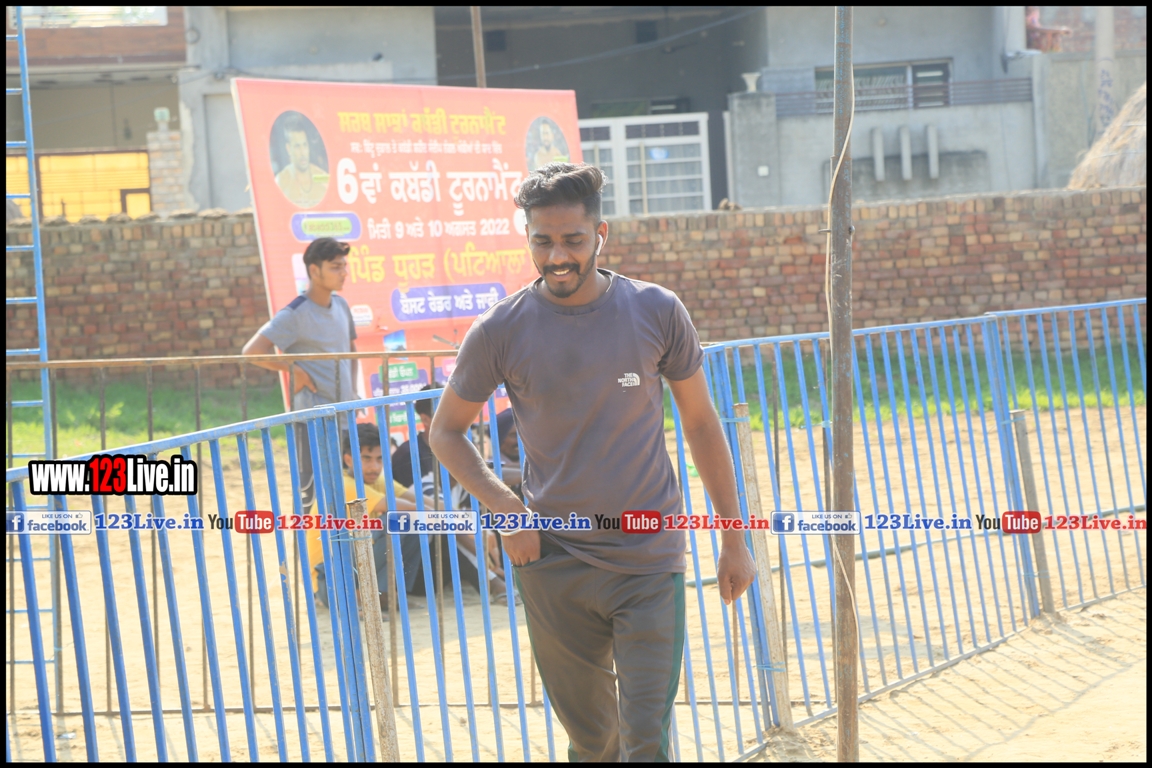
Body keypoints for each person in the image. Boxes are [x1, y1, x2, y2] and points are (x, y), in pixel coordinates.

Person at [429, 162, 756, 761]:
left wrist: (734, 537)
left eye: (573, 240)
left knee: (645, 737)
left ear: (601, 234)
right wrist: (505, 508)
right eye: (542, 241)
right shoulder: (500, 329)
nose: (557, 256)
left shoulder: (656, 310)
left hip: (649, 555)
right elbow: (446, 431)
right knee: (593, 741)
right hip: (553, 560)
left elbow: (701, 423)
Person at [241, 237, 359, 510]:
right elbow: (251, 352)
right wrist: (296, 371)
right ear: (314, 271)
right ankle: (307, 541)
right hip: (312, 419)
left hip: (345, 416)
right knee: (311, 496)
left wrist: (352, 391)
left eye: (344, 266)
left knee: (348, 493)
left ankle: (345, 540)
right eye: (335, 267)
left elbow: (351, 349)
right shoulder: (295, 313)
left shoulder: (341, 305)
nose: (343, 272)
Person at [311, 422, 422, 609]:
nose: (374, 467)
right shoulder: (344, 484)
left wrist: (456, 515)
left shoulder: (377, 480)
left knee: (414, 523)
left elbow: (422, 501)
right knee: (396, 521)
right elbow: (411, 508)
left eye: (379, 459)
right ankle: (360, 597)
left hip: (354, 567)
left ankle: (385, 594)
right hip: (330, 582)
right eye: (366, 459)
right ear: (348, 460)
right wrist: (450, 519)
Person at [275, 115, 328, 208]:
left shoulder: (323, 179)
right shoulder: (281, 182)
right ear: (288, 149)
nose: (302, 152)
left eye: (304, 145)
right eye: (297, 146)